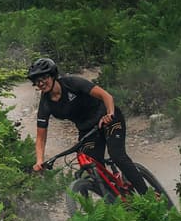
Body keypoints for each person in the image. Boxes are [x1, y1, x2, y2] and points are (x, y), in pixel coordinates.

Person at [28, 57, 148, 195]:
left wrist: (110, 113)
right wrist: (39, 161)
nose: (41, 83)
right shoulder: (45, 104)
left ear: (53, 75)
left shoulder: (72, 83)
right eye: (37, 81)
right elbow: (41, 138)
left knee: (117, 156)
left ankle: (150, 198)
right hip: (87, 130)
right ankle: (116, 202)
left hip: (107, 119)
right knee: (90, 169)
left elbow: (106, 96)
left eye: (44, 78)